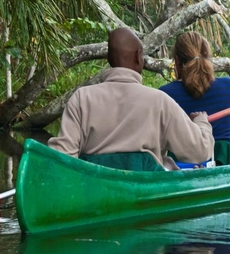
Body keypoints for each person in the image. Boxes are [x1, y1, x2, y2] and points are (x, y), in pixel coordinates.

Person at [48, 27, 214, 171]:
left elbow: (61, 157)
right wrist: (202, 122)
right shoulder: (159, 101)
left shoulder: (81, 98)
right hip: (146, 190)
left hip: (96, 188)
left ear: (109, 59)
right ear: (138, 57)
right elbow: (198, 152)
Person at [159, 31, 230, 165]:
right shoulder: (229, 86)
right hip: (223, 164)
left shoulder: (164, 95)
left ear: (177, 61)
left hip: (181, 169)